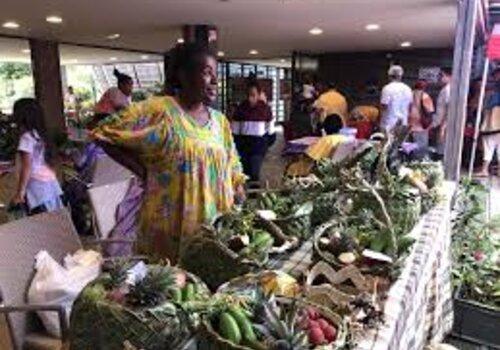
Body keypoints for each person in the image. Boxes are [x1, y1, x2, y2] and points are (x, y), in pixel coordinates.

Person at [91, 43, 246, 262]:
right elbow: (102, 132)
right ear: (182, 75)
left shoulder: (219, 121)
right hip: (169, 228)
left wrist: (238, 188)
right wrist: (142, 169)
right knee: (175, 288)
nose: (214, 81)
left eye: (215, 74)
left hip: (215, 226)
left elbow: (232, 161)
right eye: (206, 73)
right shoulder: (160, 111)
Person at [11, 98, 64, 214]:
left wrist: (20, 193)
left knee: (42, 220)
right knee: (55, 217)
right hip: (50, 181)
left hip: (37, 185)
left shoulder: (26, 138)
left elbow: (27, 167)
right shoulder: (39, 134)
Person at [232, 82, 273, 185]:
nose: (250, 98)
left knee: (255, 172)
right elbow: (235, 131)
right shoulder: (240, 109)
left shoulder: (266, 110)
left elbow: (271, 132)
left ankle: (254, 195)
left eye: (253, 95)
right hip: (243, 146)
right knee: (245, 173)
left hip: (258, 147)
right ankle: (246, 196)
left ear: (259, 95)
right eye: (248, 95)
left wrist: (265, 145)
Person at [476, 69, 500, 176]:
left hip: (494, 124)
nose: (494, 78)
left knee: (489, 145)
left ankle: (484, 169)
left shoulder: (494, 92)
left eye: (495, 76)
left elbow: (489, 106)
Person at [380, 65, 413, 132]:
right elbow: (410, 106)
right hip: (403, 123)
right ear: (401, 76)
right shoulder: (407, 89)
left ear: (389, 76)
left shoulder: (387, 88)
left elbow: (384, 106)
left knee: (387, 142)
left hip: (389, 124)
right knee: (399, 142)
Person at [409, 80, 435, 157]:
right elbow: (430, 111)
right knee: (420, 152)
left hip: (409, 126)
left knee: (410, 150)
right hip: (421, 127)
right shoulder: (425, 96)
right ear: (424, 87)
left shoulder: (409, 94)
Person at [432, 67, 452, 159]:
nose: (440, 78)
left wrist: (443, 126)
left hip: (445, 123)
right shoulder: (445, 89)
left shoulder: (448, 90)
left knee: (442, 146)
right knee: (439, 145)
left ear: (450, 76)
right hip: (440, 122)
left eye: (442, 75)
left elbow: (449, 108)